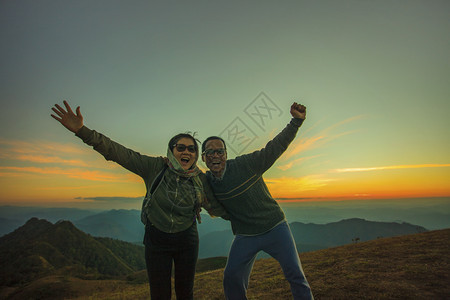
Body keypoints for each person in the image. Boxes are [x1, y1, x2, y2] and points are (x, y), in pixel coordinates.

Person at [51, 100, 228, 300]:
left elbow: (217, 207)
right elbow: (118, 153)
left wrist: (248, 218)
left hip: (187, 239)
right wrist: (82, 131)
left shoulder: (200, 179)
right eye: (181, 147)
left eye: (191, 149)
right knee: (159, 293)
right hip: (156, 240)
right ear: (171, 151)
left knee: (185, 292)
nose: (186, 151)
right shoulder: (154, 167)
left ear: (196, 156)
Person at [201, 102, 314, 300]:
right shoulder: (207, 182)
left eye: (220, 151)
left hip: (275, 227)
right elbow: (191, 183)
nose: (215, 155)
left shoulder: (246, 164)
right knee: (231, 277)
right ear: (204, 158)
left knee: (295, 274)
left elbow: (274, 148)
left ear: (226, 155)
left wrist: (296, 121)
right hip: (245, 234)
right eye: (210, 152)